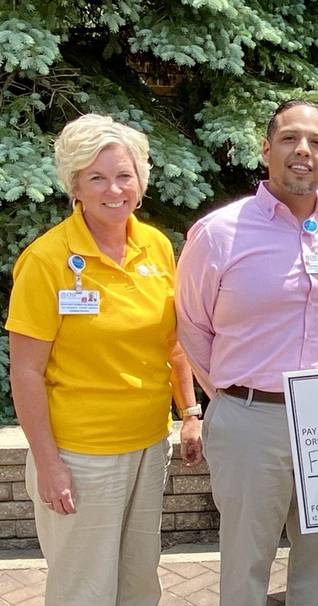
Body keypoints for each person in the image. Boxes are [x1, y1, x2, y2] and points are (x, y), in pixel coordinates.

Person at [175, 99, 318, 606]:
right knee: (245, 565)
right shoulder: (219, 233)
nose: (303, 150)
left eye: (316, 142)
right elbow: (191, 325)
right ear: (266, 150)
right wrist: (230, 396)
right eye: (289, 138)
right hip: (249, 419)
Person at [6, 113, 202, 605]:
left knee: (139, 585)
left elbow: (171, 340)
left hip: (149, 445)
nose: (113, 189)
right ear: (74, 184)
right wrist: (49, 465)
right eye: (97, 177)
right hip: (80, 455)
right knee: (84, 591)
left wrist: (190, 411)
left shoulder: (155, 246)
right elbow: (25, 371)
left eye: (123, 175)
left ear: (141, 180)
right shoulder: (47, 260)